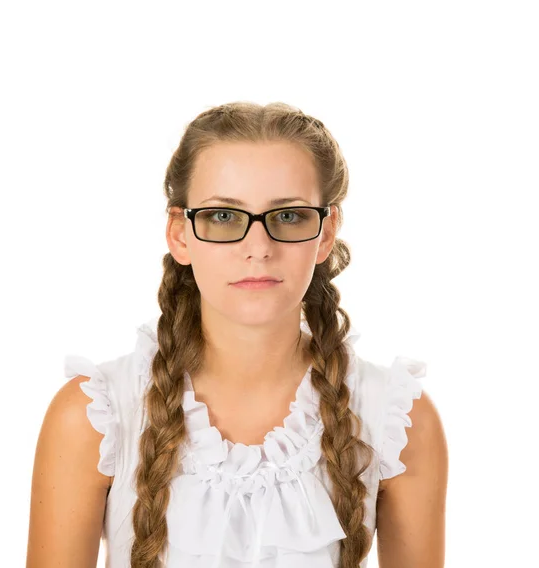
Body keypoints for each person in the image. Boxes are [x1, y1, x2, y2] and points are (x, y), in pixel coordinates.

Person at [26, 102, 448, 568]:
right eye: (224, 217)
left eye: (288, 216)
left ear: (325, 233)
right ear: (180, 234)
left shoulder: (398, 420)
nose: (258, 249)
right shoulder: (94, 417)